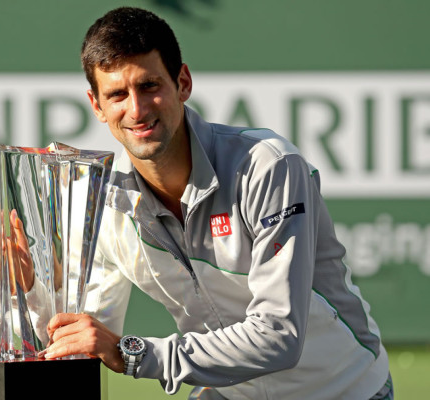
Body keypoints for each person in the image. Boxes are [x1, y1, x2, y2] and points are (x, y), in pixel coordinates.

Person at [39, 7, 393, 399]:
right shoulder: (104, 202)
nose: (137, 110)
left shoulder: (267, 166)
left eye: (149, 85)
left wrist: (134, 355)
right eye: (118, 94)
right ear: (96, 105)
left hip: (343, 390)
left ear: (183, 83)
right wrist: (23, 288)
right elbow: (86, 335)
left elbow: (279, 336)